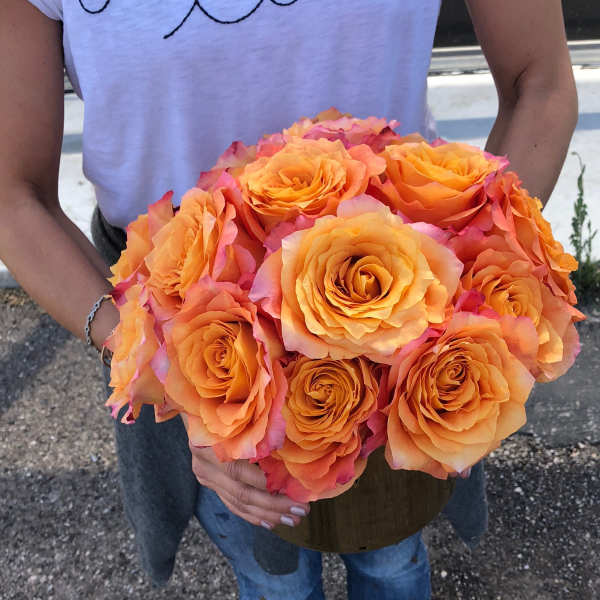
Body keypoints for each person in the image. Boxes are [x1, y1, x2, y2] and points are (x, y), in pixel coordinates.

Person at [0, 1, 577, 598]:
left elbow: (538, 80)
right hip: (194, 330)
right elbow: (14, 193)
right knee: (269, 569)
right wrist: (160, 362)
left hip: (405, 299)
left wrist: (483, 269)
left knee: (393, 552)